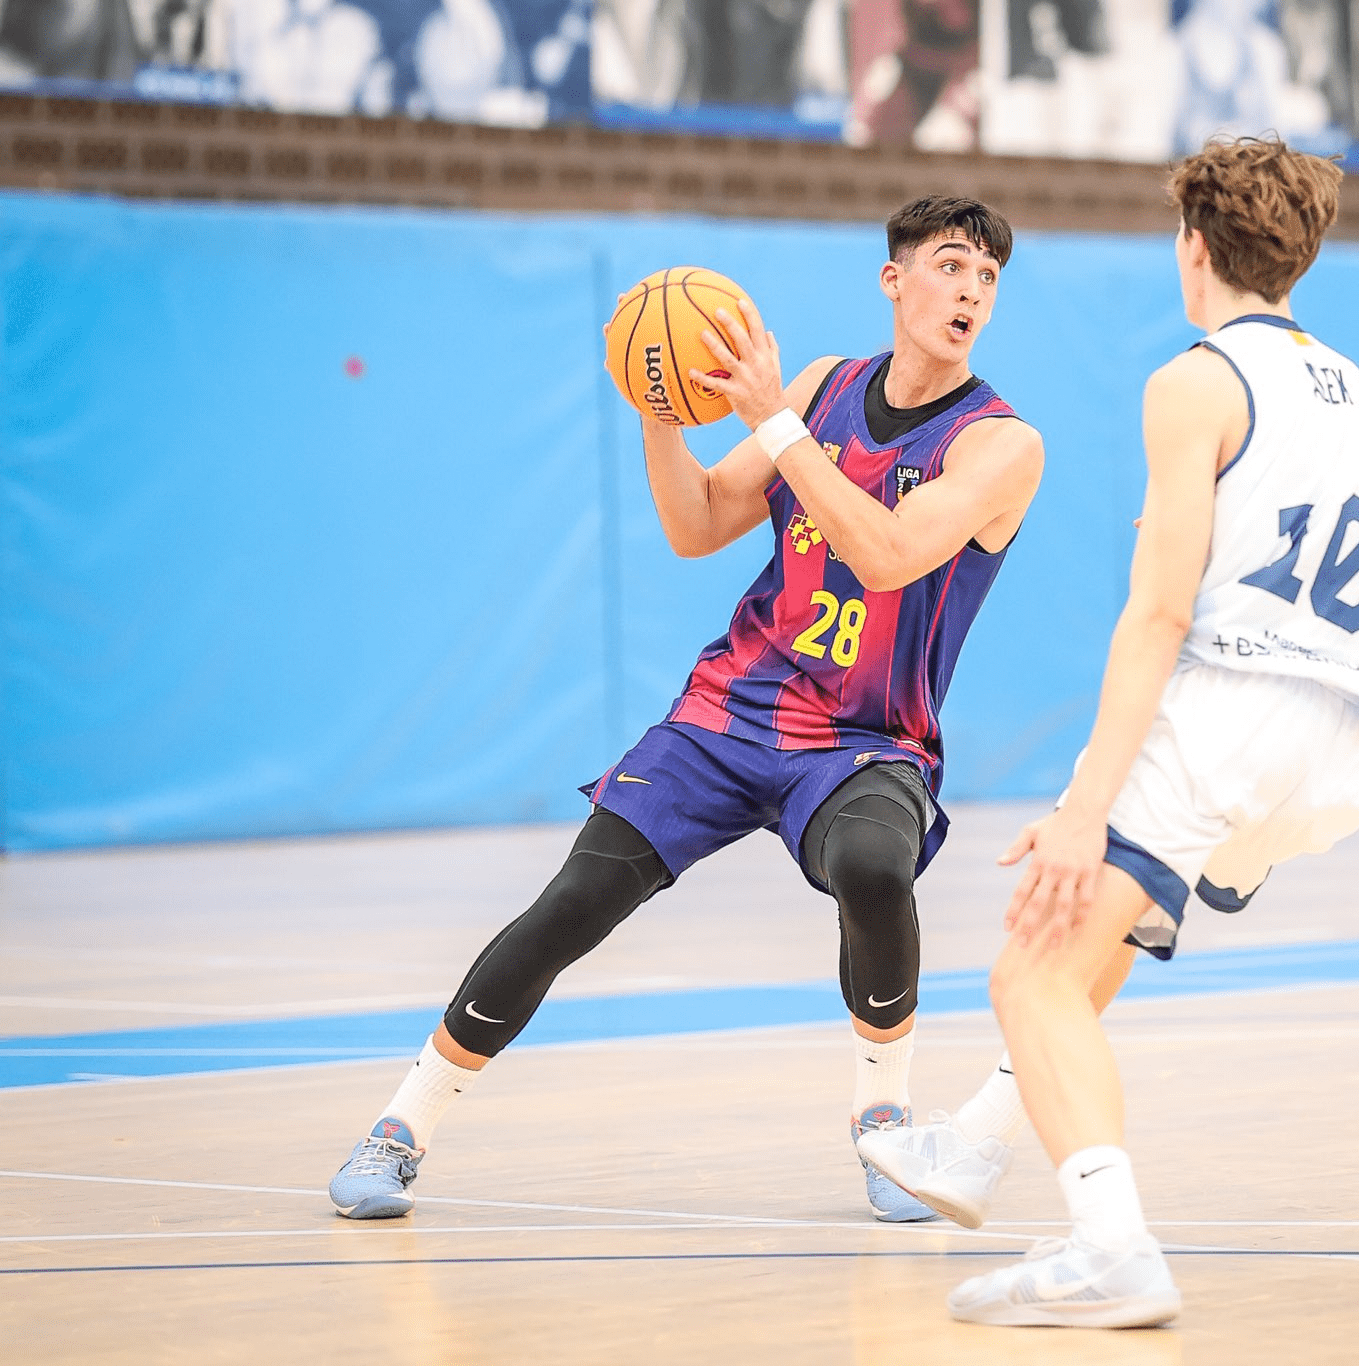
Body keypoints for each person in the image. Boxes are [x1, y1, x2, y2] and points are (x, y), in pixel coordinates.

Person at [328, 195, 1044, 1225]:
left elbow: (887, 555)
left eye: (987, 276)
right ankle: (401, 1125)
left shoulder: (1000, 444)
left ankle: (884, 1124)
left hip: (864, 737)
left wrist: (774, 422)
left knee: (874, 866)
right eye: (949, 264)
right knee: (576, 898)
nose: (970, 290)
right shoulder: (823, 389)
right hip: (733, 706)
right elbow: (697, 522)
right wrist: (657, 406)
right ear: (894, 281)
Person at [857, 136, 1359, 1327]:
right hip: (1340, 742)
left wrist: (1079, 809)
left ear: (1193, 247)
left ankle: (1109, 1248)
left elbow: (1158, 614)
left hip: (1232, 711)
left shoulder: (1193, 383)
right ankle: (974, 1143)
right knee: (1101, 935)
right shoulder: (1358, 390)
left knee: (1028, 972)